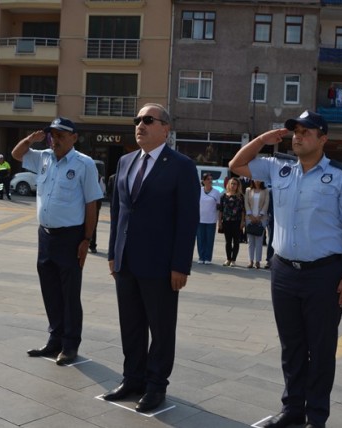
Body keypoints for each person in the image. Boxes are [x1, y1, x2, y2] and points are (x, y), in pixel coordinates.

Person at [229, 110, 342, 428]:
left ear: (323, 138)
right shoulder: (281, 168)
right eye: (295, 131)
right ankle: (293, 409)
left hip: (324, 274)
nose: (298, 136)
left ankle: (316, 417)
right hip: (284, 270)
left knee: (320, 347)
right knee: (291, 345)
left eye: (306, 131)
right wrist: (264, 139)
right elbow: (236, 165)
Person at [103, 103, 200, 413]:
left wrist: (180, 265)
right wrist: (112, 253)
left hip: (160, 264)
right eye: (137, 120)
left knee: (160, 328)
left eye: (148, 120)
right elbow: (118, 212)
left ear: (165, 129)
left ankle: (156, 385)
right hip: (126, 261)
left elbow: (188, 220)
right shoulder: (126, 161)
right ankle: (132, 378)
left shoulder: (181, 166)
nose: (140, 125)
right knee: (130, 325)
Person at [12, 117, 103, 365]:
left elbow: (91, 203)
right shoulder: (43, 158)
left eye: (61, 135)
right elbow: (17, 153)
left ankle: (70, 344)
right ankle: (55, 340)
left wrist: (86, 239)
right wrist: (32, 139)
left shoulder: (84, 164)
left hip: (71, 237)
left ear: (74, 137)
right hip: (46, 235)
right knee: (50, 290)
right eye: (53, 135)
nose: (56, 140)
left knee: (70, 293)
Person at [218, 177, 245, 267]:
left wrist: (242, 222)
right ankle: (228, 259)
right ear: (228, 184)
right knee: (228, 242)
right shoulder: (223, 196)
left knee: (236, 241)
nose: (233, 185)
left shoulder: (240, 197)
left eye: (235, 184)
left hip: (237, 221)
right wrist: (220, 222)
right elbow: (221, 210)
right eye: (232, 183)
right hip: (226, 221)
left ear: (238, 186)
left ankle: (233, 260)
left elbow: (242, 211)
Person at [196, 173, 221, 265]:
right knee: (200, 239)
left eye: (211, 179)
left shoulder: (216, 192)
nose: (210, 181)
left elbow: (218, 207)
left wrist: (219, 221)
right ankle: (201, 257)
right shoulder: (199, 190)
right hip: (200, 219)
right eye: (208, 179)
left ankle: (207, 258)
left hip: (211, 220)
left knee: (209, 240)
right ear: (204, 181)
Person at [245, 179, 269, 268]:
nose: (257, 181)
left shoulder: (265, 190)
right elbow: (246, 203)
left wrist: (260, 215)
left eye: (259, 179)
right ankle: (250, 261)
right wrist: (250, 215)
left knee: (259, 240)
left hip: (261, 218)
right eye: (255, 179)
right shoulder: (248, 190)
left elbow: (266, 203)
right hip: (249, 218)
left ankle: (258, 261)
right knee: (250, 241)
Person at [89, 171, 106, 254]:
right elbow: (103, 191)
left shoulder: (85, 174)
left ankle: (91, 245)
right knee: (93, 225)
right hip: (95, 204)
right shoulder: (99, 177)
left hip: (86, 204)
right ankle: (92, 246)